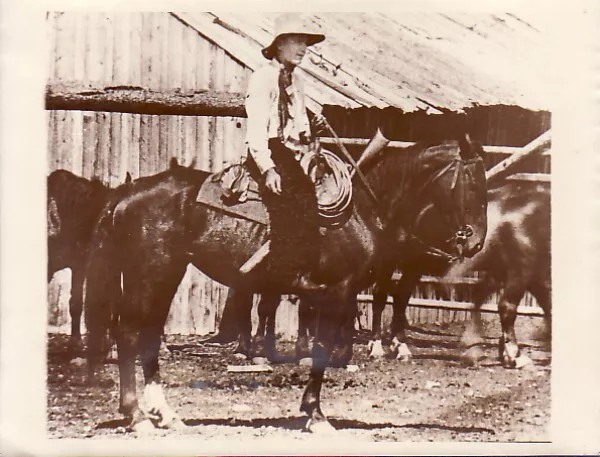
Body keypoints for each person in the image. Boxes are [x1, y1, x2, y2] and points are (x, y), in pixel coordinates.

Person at [244, 14, 327, 292]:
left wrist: (309, 131)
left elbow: (298, 121)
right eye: (296, 42)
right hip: (268, 149)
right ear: (279, 45)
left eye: (305, 43)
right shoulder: (262, 78)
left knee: (315, 189)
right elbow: (256, 126)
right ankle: (286, 271)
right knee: (296, 196)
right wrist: (267, 167)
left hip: (290, 150)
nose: (302, 49)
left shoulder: (297, 80)